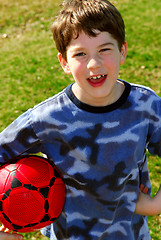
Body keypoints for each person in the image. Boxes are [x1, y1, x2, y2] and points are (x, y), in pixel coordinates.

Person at [0, 0, 161, 239]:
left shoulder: (145, 106)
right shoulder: (46, 119)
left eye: (104, 49)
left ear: (123, 51)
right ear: (64, 62)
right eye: (80, 54)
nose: (94, 64)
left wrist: (155, 205)